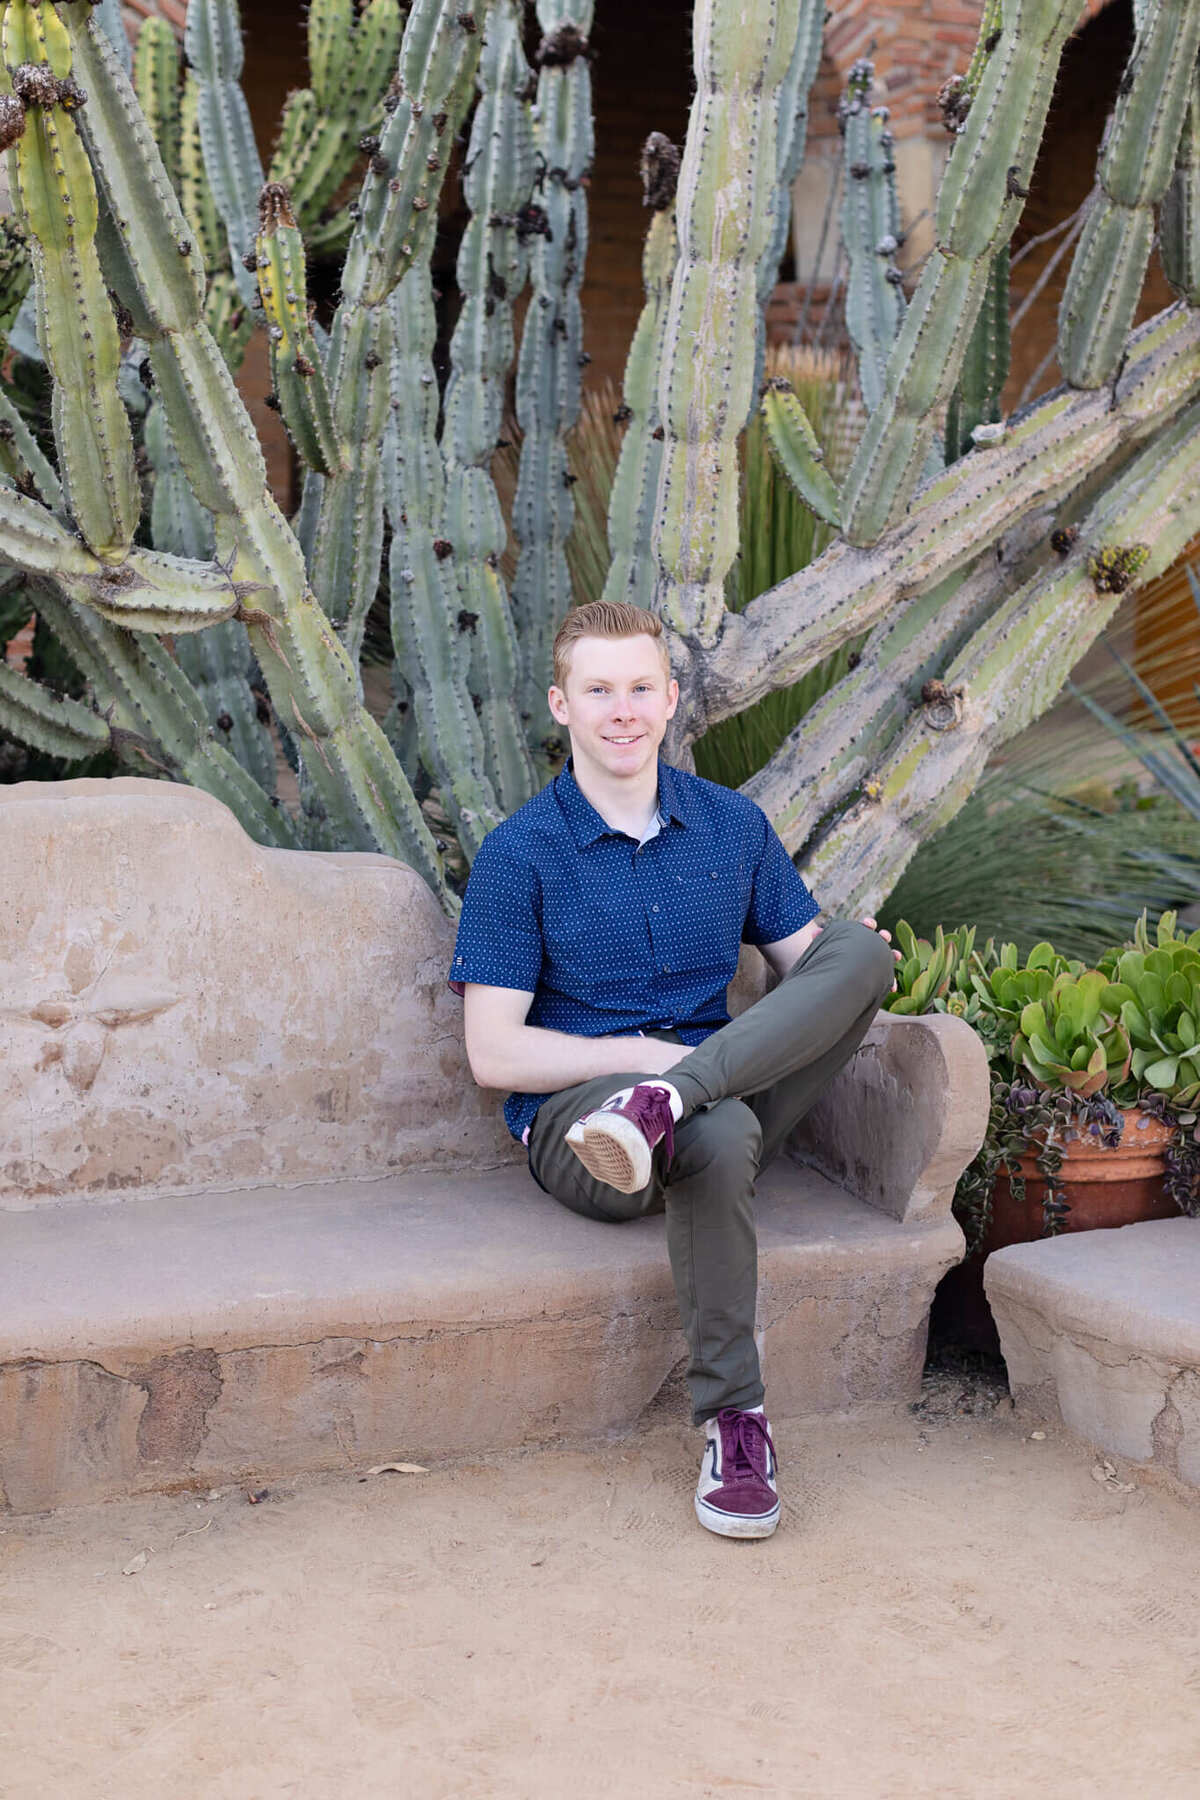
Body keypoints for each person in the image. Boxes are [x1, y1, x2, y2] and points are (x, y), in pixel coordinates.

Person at [448, 600, 896, 1539]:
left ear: (671, 699)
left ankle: (676, 1101)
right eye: (598, 689)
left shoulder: (731, 827)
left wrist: (849, 966)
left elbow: (811, 967)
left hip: (714, 1079)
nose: (622, 710)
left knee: (861, 952)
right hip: (585, 1126)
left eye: (640, 687)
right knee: (719, 1126)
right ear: (560, 705)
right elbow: (493, 1055)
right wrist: (652, 1061)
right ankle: (737, 1419)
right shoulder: (517, 856)